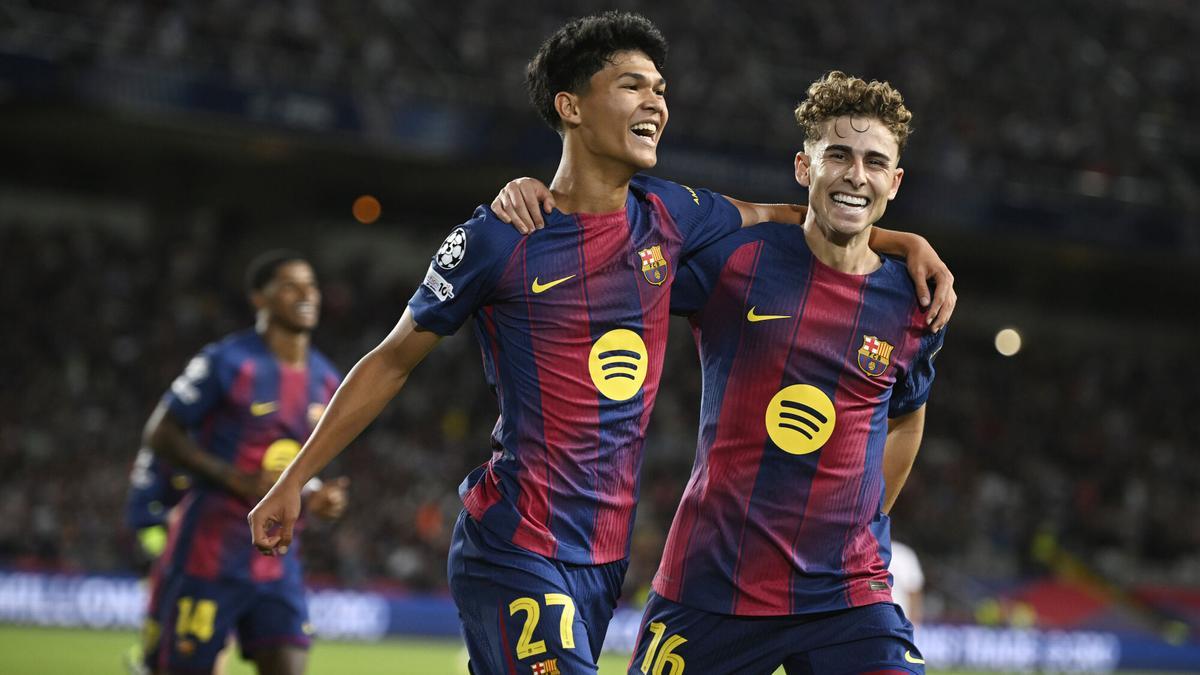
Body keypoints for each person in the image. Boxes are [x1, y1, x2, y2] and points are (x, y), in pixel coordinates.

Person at [249, 14, 951, 675]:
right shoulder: (500, 236)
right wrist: (291, 479)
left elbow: (800, 216)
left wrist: (905, 240)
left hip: (604, 564)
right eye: (633, 85)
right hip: (517, 541)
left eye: (660, 88)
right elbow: (392, 360)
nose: (656, 102)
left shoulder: (673, 217)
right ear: (572, 107)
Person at [621, 70, 943, 674]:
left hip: (846, 598)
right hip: (712, 585)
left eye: (875, 162)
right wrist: (538, 191)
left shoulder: (915, 301)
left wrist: (864, 519)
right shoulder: (736, 258)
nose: (856, 174)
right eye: (838, 155)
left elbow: (907, 419)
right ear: (805, 167)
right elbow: (622, 230)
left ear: (894, 182)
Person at [142, 250, 349, 675]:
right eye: (291, 285)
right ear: (260, 298)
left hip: (277, 561)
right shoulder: (226, 362)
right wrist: (236, 479)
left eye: (311, 284)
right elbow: (160, 433)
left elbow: (293, 466)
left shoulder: (328, 379)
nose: (306, 293)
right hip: (208, 552)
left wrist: (315, 496)